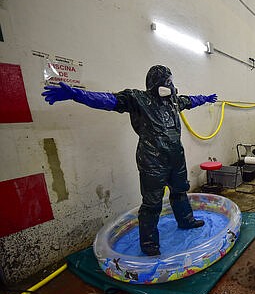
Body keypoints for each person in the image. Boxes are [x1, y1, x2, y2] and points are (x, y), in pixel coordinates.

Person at [41, 65, 217, 256]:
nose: (171, 85)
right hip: (152, 160)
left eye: (171, 81)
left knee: (180, 191)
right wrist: (77, 95)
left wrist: (205, 99)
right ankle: (149, 243)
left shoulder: (173, 101)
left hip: (176, 157)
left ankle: (186, 220)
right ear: (155, 83)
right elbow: (108, 100)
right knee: (152, 202)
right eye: (167, 81)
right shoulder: (137, 98)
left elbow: (190, 100)